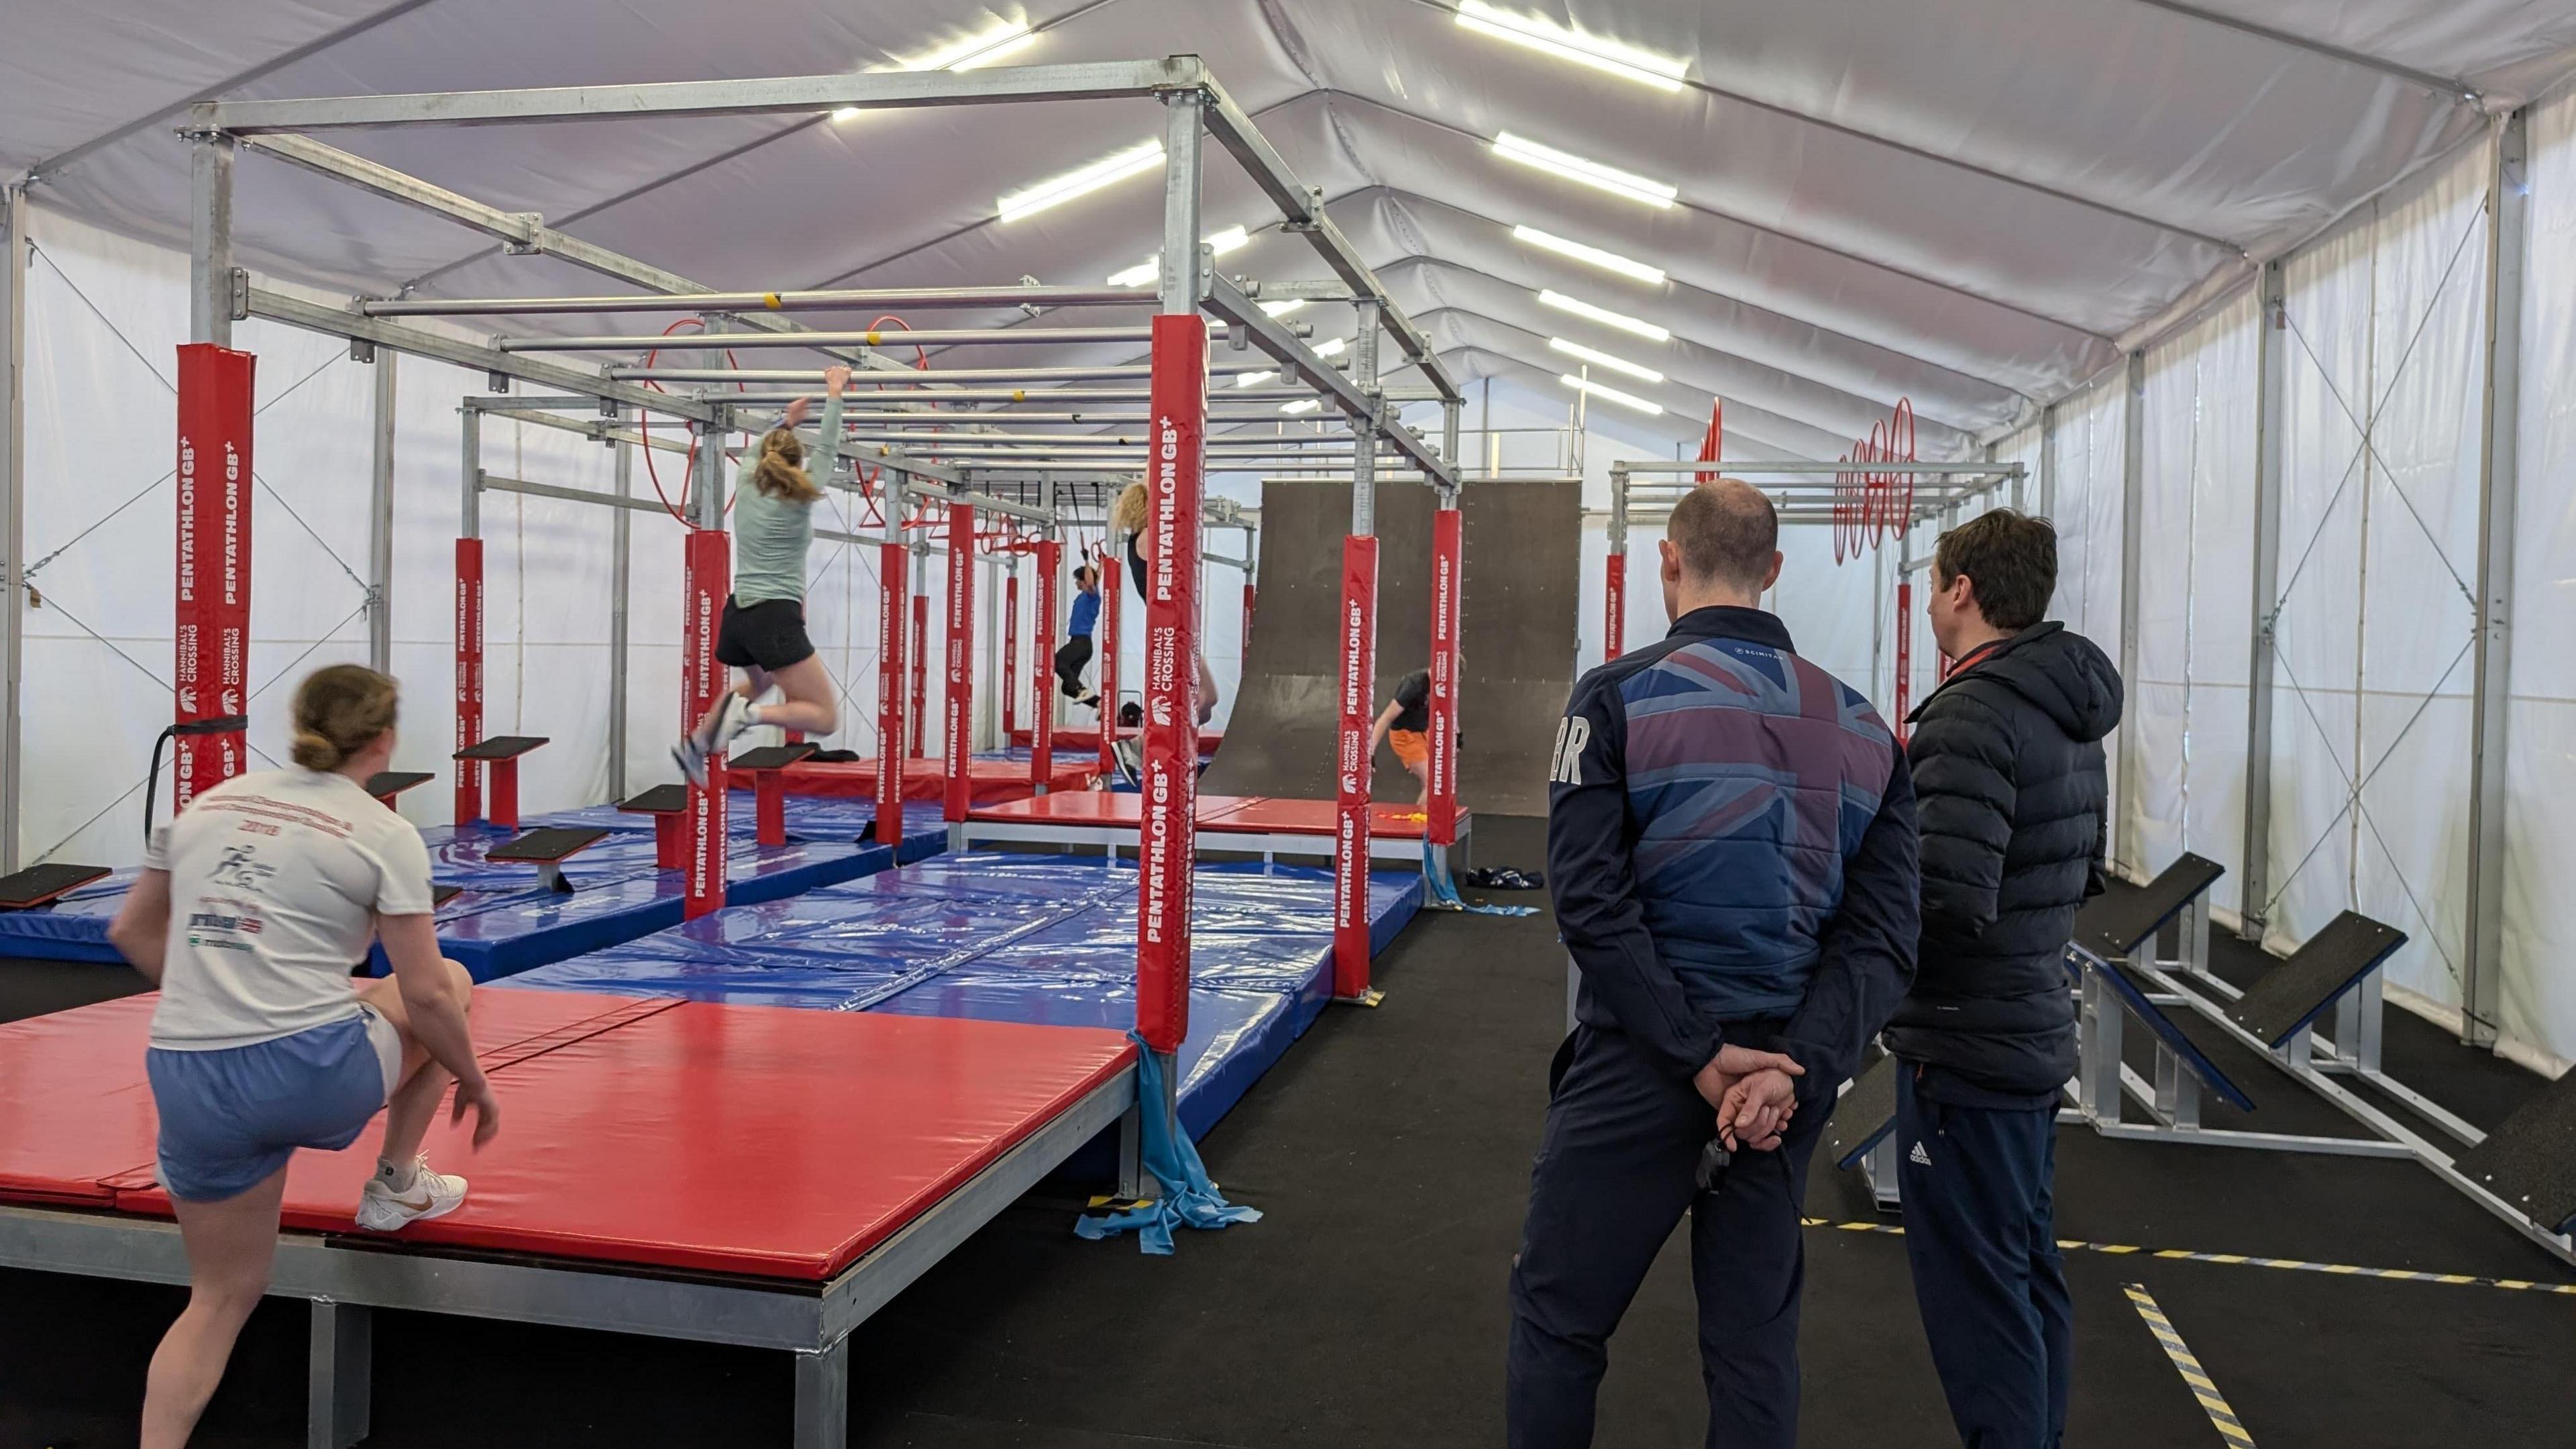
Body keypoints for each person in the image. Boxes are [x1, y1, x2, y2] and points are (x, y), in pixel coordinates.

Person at [1507, 480, 1921, 1449]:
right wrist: (1791, 1067)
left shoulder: (1611, 700)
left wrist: (1697, 1053)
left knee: (1559, 1321)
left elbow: (1592, 907)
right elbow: (1885, 941)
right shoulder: (1868, 729)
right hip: (1783, 1085)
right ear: (1775, 571)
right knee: (1753, 1349)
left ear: (1667, 559)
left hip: (1641, 1066)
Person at [107, 665, 501, 1449]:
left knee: (220, 1297)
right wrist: (475, 1079)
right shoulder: (383, 832)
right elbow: (424, 994)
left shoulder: (206, 807)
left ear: (299, 725)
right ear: (384, 740)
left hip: (189, 1075)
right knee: (454, 979)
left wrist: (224, 1004)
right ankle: (395, 1183)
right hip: (307, 1073)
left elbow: (131, 934)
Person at [1888, 510, 2120, 1449]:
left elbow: (1942, 896)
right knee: (2024, 1277)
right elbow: (2079, 872)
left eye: (1933, 581)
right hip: (2025, 1030)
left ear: (1962, 590)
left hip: (1967, 1049)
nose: (1928, 599)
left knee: (1981, 1303)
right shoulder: (2065, 707)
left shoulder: (1974, 711)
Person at [673, 364, 851, 786]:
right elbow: (828, 447)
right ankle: (746, 717)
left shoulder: (746, 478)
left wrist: (788, 419)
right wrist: (835, 391)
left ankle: (697, 745)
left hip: (738, 615)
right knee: (824, 717)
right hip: (773, 616)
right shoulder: (802, 493)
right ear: (797, 462)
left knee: (760, 682)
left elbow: (792, 448)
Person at [1111, 480, 1218, 725]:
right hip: (1171, 622)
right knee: (1208, 697)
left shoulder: (1141, 537)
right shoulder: (1147, 537)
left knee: (1207, 705)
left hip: (1176, 619)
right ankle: (1142, 744)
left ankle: (1167, 745)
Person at [1368, 667, 1434, 805]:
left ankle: (1426, 817)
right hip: (1404, 736)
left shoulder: (1444, 685)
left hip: (1423, 733)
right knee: (1433, 783)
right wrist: (1370, 752)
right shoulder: (1414, 685)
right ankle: (1421, 823)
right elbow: (1385, 718)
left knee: (1437, 782)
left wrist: (1458, 736)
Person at [1055, 562, 1103, 710]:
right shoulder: (1085, 595)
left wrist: (1087, 560)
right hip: (1081, 646)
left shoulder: (1091, 596)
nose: (1076, 583)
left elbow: (1092, 580)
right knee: (1068, 688)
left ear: (1084, 581)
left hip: (1080, 644)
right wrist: (1102, 562)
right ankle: (1099, 703)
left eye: (1078, 580)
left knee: (1057, 661)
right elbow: (1096, 577)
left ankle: (1081, 690)